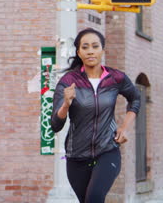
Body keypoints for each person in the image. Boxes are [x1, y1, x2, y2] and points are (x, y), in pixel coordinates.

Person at [51, 28, 140, 203]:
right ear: (79, 52)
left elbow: (135, 98)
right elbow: (55, 124)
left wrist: (124, 127)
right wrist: (65, 104)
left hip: (107, 150)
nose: (90, 51)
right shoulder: (68, 82)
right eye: (85, 47)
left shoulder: (116, 78)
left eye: (95, 46)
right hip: (76, 155)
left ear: (102, 50)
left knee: (94, 198)